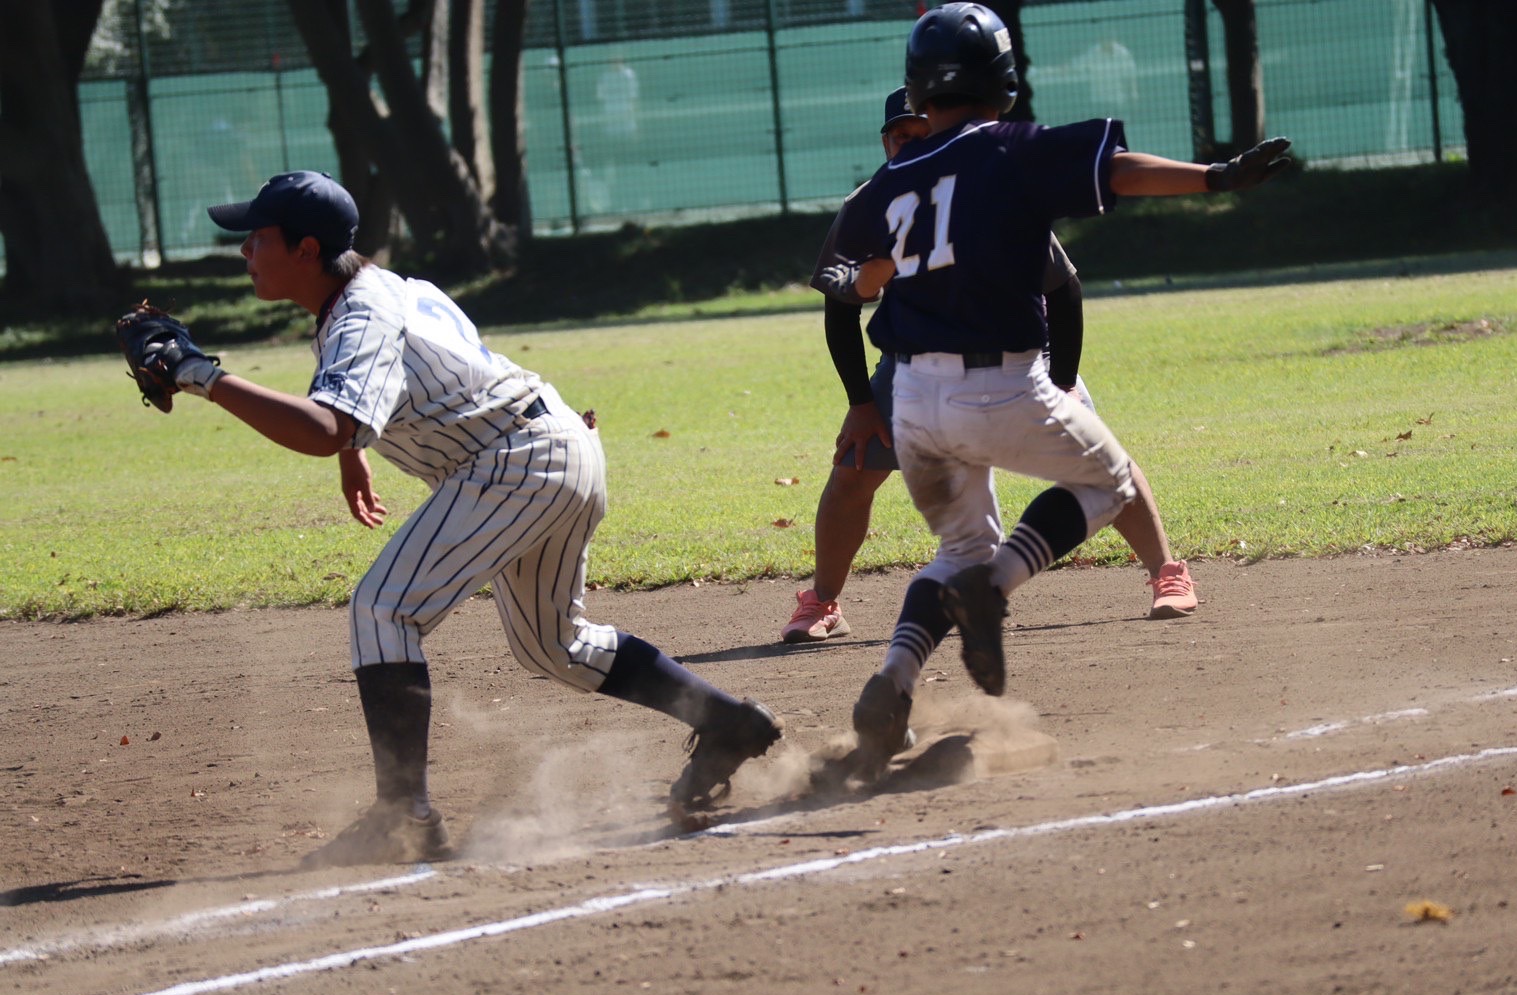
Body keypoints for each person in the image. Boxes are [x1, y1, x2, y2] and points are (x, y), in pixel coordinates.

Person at [178, 171, 778, 865]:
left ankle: (404, 817)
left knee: (383, 610)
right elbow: (423, 376)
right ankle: (726, 722)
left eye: (256, 237)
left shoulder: (363, 314)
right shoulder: (387, 289)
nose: (244, 249)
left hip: (514, 463)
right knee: (554, 647)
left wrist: (203, 376)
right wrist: (352, 449)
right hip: (553, 447)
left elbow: (325, 423)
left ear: (305, 248)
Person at [827, 3, 1289, 779]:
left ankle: (892, 683)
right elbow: (1115, 170)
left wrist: (881, 273)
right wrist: (1215, 176)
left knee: (958, 546)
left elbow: (852, 279)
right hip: (999, 384)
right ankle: (994, 591)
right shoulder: (1007, 147)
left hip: (913, 404)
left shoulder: (890, 179)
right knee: (1106, 480)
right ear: (1002, 79)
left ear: (919, 90)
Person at [781, 87, 1197, 644]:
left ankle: (1167, 574)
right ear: (885, 142)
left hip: (1020, 354)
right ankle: (823, 602)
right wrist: (860, 405)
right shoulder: (873, 202)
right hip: (916, 364)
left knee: (1102, 463)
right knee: (852, 473)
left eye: (920, 131)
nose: (910, 142)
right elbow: (841, 311)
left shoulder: (986, 188)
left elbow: (1064, 289)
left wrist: (1065, 382)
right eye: (900, 135)